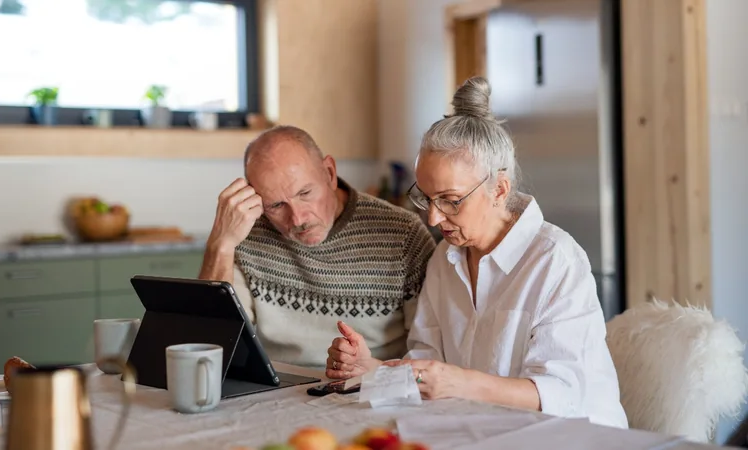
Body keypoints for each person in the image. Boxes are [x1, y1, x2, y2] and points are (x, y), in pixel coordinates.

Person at [325, 76, 628, 429]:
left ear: (499, 190)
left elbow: (561, 394)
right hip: (485, 431)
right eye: (425, 198)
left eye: (451, 201)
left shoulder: (555, 261)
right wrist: (371, 369)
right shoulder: (445, 259)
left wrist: (459, 383)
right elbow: (427, 369)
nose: (434, 218)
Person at [198, 125, 436, 368]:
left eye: (305, 193)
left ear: (330, 173)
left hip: (372, 389)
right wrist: (221, 244)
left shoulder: (404, 234)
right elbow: (211, 345)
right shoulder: (246, 232)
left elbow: (430, 355)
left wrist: (372, 369)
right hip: (276, 392)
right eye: (277, 205)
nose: (298, 219)